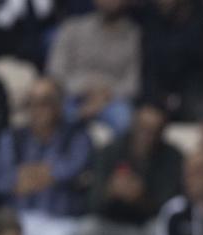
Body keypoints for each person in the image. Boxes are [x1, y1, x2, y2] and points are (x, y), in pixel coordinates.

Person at [0, 78, 94, 235]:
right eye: (31, 103)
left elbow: (73, 169)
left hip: (59, 219)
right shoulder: (13, 137)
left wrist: (33, 174)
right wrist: (17, 180)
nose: (37, 109)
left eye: (44, 102)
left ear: (58, 105)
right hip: (16, 218)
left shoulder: (76, 135)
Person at [84, 100, 183, 235]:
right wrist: (110, 192)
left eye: (153, 132)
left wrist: (142, 198)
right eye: (142, 129)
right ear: (133, 125)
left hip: (147, 227)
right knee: (87, 229)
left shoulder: (173, 158)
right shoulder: (109, 152)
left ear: (162, 132)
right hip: (111, 225)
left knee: (165, 232)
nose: (146, 137)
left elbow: (171, 209)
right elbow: (91, 203)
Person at [46, 0, 141, 134]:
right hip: (72, 95)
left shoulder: (135, 36)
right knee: (53, 114)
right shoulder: (73, 27)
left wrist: (107, 94)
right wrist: (84, 89)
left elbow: (133, 81)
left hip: (113, 100)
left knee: (126, 122)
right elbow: (55, 71)